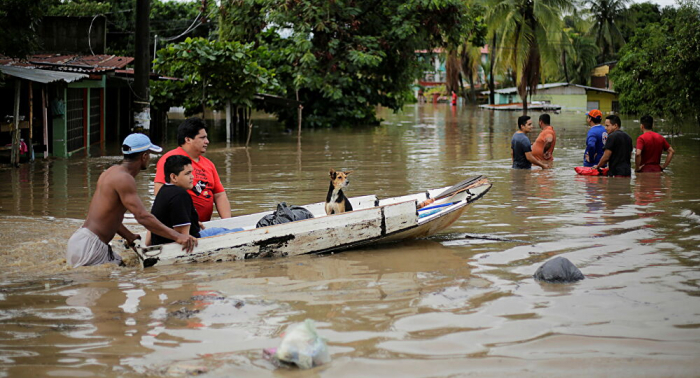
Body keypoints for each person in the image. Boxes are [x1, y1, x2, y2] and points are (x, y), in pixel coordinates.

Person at [66, 134, 197, 268]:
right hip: (91, 246)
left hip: (82, 240)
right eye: (150, 155)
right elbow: (142, 216)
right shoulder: (125, 179)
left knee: (122, 271)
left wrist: (129, 236)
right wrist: (177, 236)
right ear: (144, 156)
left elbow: (109, 215)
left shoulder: (111, 172)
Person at [150, 155, 241, 246]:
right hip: (194, 240)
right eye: (187, 173)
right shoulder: (180, 195)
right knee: (239, 231)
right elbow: (184, 236)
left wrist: (194, 222)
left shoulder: (163, 190)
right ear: (174, 177)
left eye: (191, 173)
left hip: (168, 239)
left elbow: (154, 223)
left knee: (222, 230)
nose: (192, 177)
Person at [154, 117, 232, 222]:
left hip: (202, 225)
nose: (207, 141)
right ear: (188, 139)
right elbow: (160, 193)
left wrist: (228, 222)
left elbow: (219, 195)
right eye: (202, 138)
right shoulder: (171, 159)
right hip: (181, 225)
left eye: (207, 138)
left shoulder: (209, 164)